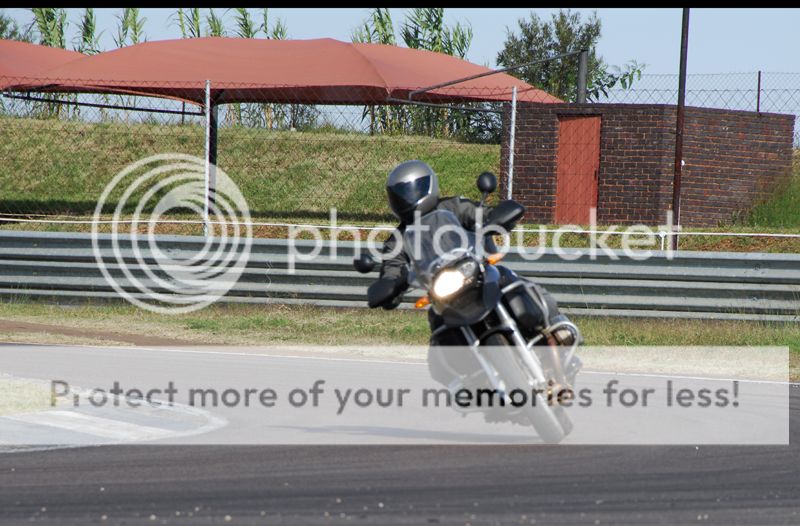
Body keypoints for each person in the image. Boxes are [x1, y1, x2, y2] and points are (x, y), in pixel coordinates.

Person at [367, 160, 575, 387]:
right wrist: (389, 286)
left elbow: (482, 215)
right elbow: (391, 269)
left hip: (478, 270)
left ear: (429, 185)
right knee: (438, 345)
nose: (408, 197)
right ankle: (472, 386)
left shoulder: (453, 207)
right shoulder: (397, 240)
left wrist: (495, 218)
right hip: (442, 292)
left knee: (514, 283)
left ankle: (555, 327)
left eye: (413, 189)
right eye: (401, 194)